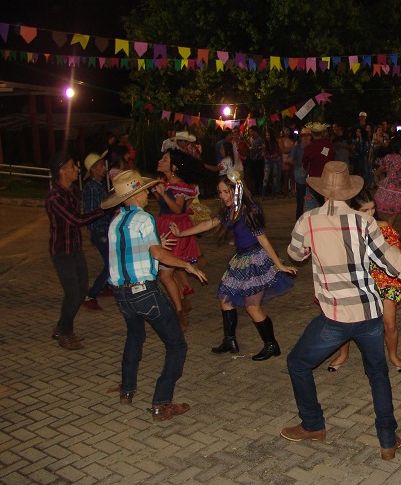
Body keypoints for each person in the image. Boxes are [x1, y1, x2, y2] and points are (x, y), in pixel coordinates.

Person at [283, 161, 401, 460]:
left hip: (336, 316)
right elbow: (389, 258)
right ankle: (387, 441)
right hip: (371, 313)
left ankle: (313, 425)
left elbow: (295, 255)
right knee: (377, 374)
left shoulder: (308, 220)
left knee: (297, 363)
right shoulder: (364, 222)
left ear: (322, 191)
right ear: (349, 191)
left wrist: (311, 247)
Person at [101, 170, 207, 421]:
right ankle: (161, 403)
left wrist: (156, 244)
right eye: (145, 190)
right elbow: (158, 255)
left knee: (135, 336)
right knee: (177, 345)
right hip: (143, 293)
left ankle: (127, 390)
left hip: (121, 295)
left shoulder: (116, 220)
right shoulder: (144, 218)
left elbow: (131, 251)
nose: (149, 193)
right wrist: (187, 265)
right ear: (136, 194)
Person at [171, 171, 297, 358]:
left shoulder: (249, 211)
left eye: (225, 192)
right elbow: (209, 224)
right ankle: (229, 341)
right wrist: (182, 233)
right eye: (220, 193)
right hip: (240, 259)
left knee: (252, 306)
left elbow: (263, 240)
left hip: (255, 259)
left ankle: (271, 345)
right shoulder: (230, 210)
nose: (222, 196)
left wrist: (279, 265)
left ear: (235, 190)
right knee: (225, 298)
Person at [326, 188, 401, 372]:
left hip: (386, 278)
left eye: (372, 208)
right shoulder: (346, 228)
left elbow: (396, 253)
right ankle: (343, 354)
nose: (370, 214)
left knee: (390, 323)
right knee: (347, 321)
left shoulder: (383, 226)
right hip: (359, 279)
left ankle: (393, 355)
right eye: (365, 210)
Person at [45, 152, 106, 350]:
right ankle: (65, 332)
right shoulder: (55, 196)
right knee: (73, 292)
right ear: (62, 171)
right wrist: (103, 210)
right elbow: (77, 220)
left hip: (75, 248)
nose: (76, 169)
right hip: (62, 251)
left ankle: (61, 327)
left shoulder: (70, 191)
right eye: (72, 166)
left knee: (80, 290)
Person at [153, 149, 204, 329]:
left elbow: (177, 209)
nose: (160, 161)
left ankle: (180, 311)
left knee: (165, 274)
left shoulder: (179, 186)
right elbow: (162, 204)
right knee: (168, 272)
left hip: (174, 230)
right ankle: (181, 302)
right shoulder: (165, 183)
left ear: (173, 166)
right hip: (165, 228)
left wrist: (163, 193)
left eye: (164, 159)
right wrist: (157, 191)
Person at [81, 150, 113, 311]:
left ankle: (104, 287)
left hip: (102, 229)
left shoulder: (98, 185)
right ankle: (90, 295)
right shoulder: (93, 187)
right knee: (110, 264)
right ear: (93, 169)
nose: (104, 168)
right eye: (100, 166)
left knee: (109, 261)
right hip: (99, 230)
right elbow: (92, 211)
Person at [301, 122, 336, 210]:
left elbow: (305, 163)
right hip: (326, 180)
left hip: (313, 180)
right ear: (323, 133)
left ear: (312, 133)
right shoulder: (328, 145)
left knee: (310, 206)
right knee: (325, 205)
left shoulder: (309, 147)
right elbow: (333, 160)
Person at [289, 127, 311, 219]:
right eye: (304, 136)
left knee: (311, 200)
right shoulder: (297, 148)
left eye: (307, 135)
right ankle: (299, 220)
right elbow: (289, 159)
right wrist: (297, 166)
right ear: (301, 137)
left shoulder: (312, 146)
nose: (306, 138)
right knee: (300, 199)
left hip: (312, 175)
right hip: (300, 176)